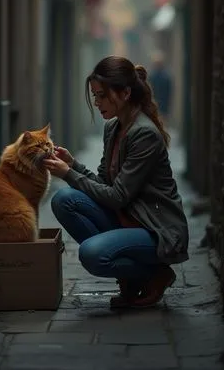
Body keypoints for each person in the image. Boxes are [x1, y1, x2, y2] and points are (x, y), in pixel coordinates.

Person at [43, 56, 189, 309]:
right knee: (64, 200)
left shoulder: (144, 133)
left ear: (125, 93)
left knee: (92, 254)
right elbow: (103, 184)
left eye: (101, 96)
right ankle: (135, 279)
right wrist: (74, 165)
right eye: (94, 96)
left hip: (156, 230)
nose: (97, 103)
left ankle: (154, 274)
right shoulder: (113, 128)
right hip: (127, 218)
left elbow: (117, 196)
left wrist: (68, 174)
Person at [149, 50, 173, 124]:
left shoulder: (165, 77)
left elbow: (168, 92)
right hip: (155, 104)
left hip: (162, 105)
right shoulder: (152, 76)